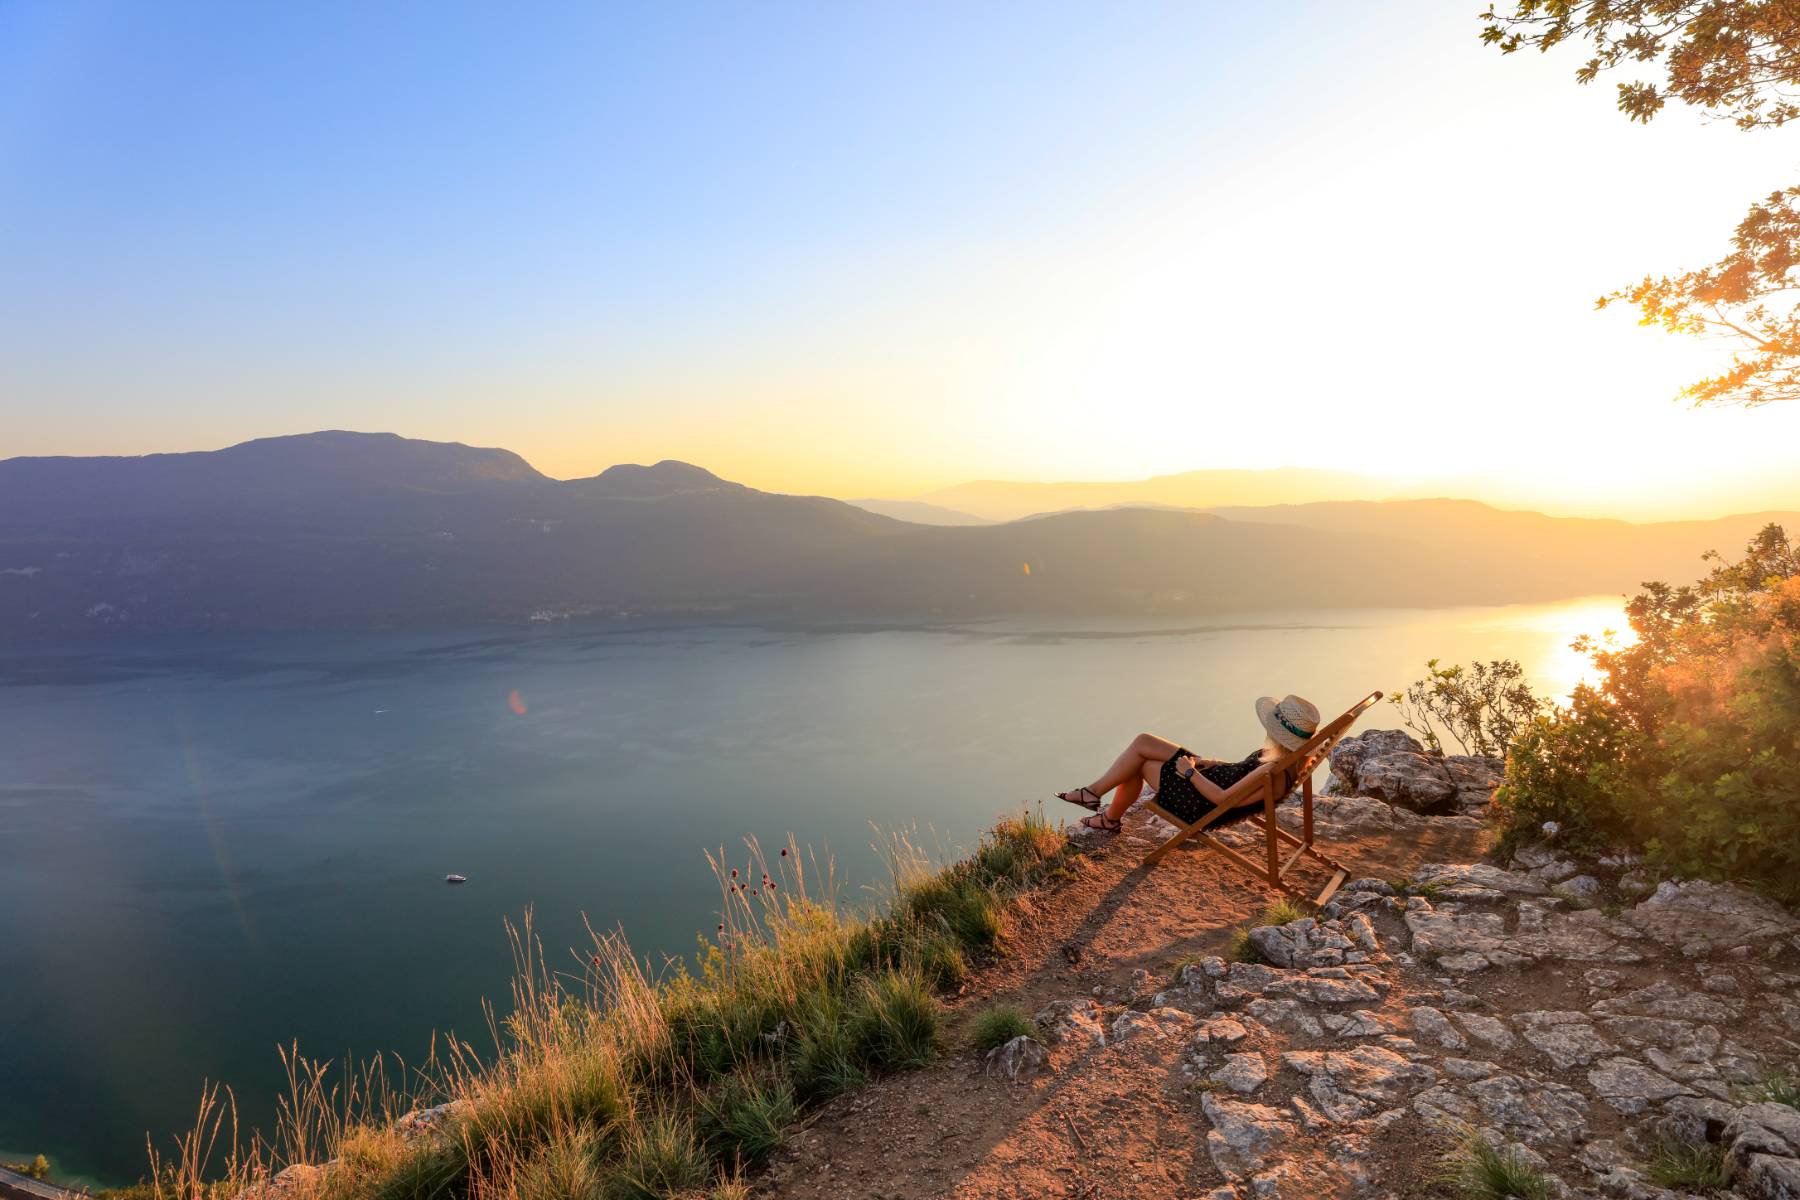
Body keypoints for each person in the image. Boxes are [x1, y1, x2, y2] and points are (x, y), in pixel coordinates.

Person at [1055, 694, 1320, 834]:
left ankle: (1101, 807)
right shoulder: (1286, 762)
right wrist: (1211, 762)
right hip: (1211, 777)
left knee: (1141, 763)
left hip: (1199, 801)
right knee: (1144, 740)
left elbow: (1222, 798)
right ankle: (1098, 802)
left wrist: (1190, 772)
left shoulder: (1271, 772)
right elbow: (1242, 772)